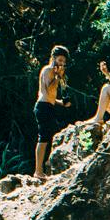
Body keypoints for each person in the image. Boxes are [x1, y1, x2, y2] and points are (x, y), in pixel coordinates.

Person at [33, 44, 72, 177]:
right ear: (54, 58)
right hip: (42, 107)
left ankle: (47, 167)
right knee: (43, 138)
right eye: (60, 60)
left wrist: (63, 103)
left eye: (64, 62)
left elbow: (52, 98)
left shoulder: (56, 74)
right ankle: (38, 171)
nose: (62, 64)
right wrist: (57, 77)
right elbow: (47, 92)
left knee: (52, 136)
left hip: (49, 106)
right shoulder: (48, 70)